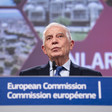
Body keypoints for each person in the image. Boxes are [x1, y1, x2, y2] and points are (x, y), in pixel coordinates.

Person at [19, 23, 102, 76]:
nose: (54, 41)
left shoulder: (92, 76)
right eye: (49, 38)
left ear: (71, 44)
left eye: (60, 36)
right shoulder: (28, 76)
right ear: (44, 49)